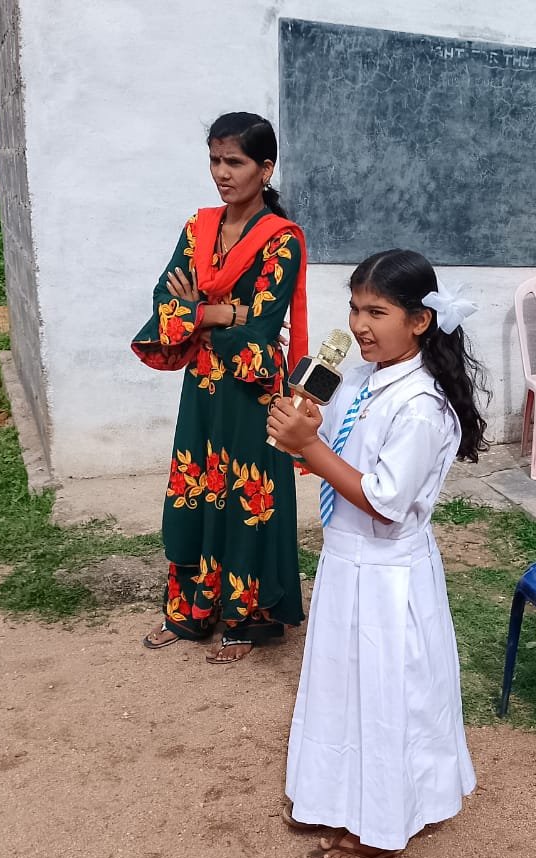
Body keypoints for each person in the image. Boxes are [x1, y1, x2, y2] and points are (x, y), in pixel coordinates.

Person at [267, 249, 488, 858]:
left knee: (388, 695)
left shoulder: (419, 405)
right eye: (354, 309)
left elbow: (387, 502)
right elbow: (331, 444)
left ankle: (384, 824)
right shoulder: (360, 378)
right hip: (346, 563)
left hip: (388, 574)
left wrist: (309, 447)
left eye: (378, 312)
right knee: (342, 686)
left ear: (420, 321)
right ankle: (334, 794)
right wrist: (301, 427)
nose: (360, 325)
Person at [131, 111, 307, 664]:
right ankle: (190, 613)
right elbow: (167, 302)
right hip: (202, 389)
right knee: (195, 488)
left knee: (245, 496)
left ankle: (245, 620)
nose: (222, 173)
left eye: (234, 162)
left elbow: (259, 326)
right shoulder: (198, 228)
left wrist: (200, 312)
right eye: (215, 160)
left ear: (265, 168)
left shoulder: (283, 242)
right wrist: (220, 312)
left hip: (252, 393)